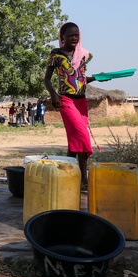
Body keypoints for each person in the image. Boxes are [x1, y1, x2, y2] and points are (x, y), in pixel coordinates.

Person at [44, 22, 96, 187]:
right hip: (66, 100)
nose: (74, 38)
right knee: (82, 136)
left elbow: (80, 78)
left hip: (82, 101)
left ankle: (70, 177)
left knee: (75, 142)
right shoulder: (56, 55)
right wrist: (53, 94)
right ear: (62, 37)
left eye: (76, 35)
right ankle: (84, 179)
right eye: (70, 35)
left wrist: (97, 78)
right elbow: (46, 79)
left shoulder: (81, 55)